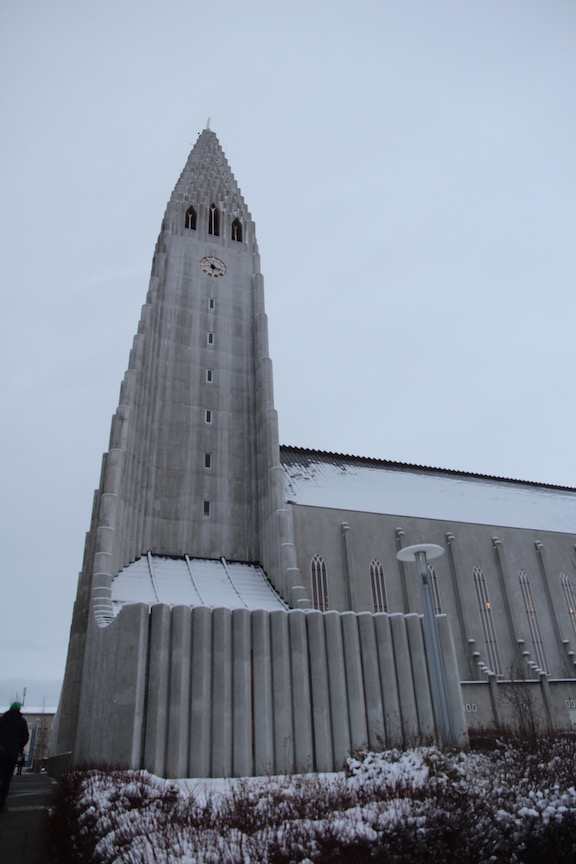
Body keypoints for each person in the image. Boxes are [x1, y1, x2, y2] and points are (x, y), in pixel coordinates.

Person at [0, 702, 29, 812]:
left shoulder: (1, 720)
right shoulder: (22, 722)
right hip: (11, 754)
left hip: (0, 752)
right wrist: (18, 746)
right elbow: (25, 737)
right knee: (6, 780)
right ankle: (1, 804)